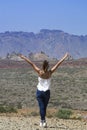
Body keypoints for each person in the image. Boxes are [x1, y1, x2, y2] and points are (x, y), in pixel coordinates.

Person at [19, 53, 68, 127]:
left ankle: (42, 121)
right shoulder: (50, 72)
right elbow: (58, 64)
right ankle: (43, 121)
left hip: (39, 92)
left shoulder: (39, 72)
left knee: (41, 106)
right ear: (48, 66)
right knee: (44, 107)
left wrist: (23, 57)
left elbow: (31, 63)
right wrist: (64, 57)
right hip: (47, 93)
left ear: (42, 66)